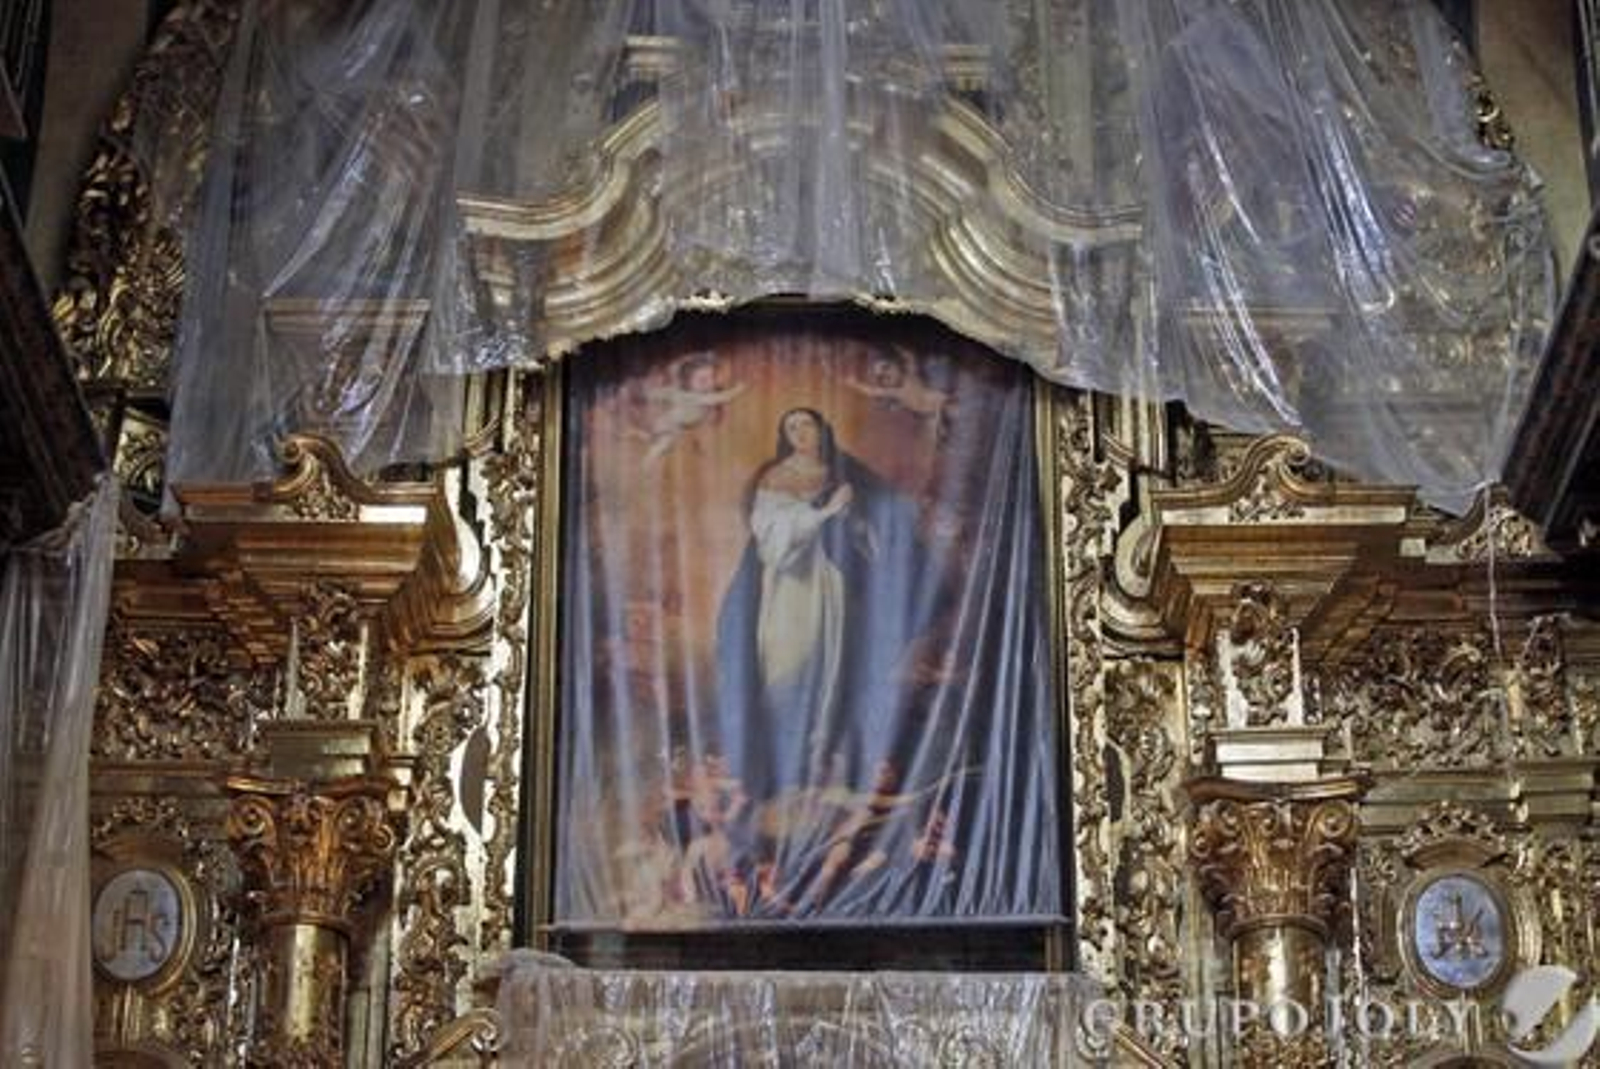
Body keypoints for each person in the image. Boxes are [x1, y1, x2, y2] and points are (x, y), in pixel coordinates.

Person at [714, 408, 933, 803]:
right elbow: (771, 540)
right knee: (785, 666)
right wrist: (826, 512)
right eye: (791, 426)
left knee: (829, 668)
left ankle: (813, 766)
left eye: (806, 424)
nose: (799, 432)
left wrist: (859, 525)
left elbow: (876, 527)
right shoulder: (776, 476)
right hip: (790, 588)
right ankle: (777, 768)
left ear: (821, 429)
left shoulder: (844, 475)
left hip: (832, 584)